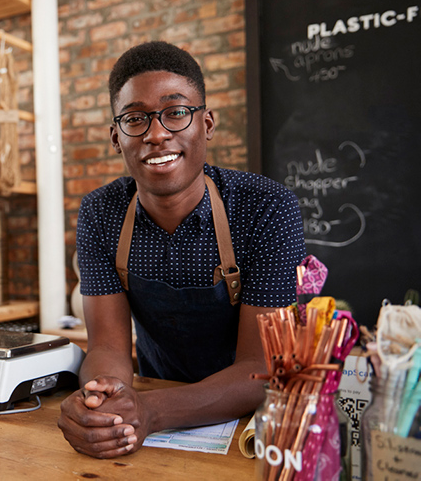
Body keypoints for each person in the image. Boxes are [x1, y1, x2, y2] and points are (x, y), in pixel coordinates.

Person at [58, 41, 307, 459]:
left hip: (252, 427)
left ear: (206, 123)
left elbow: (261, 368)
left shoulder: (266, 208)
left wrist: (150, 411)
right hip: (151, 422)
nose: (157, 134)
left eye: (176, 112)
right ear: (116, 137)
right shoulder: (101, 213)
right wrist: (103, 400)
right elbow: (108, 347)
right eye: (135, 119)